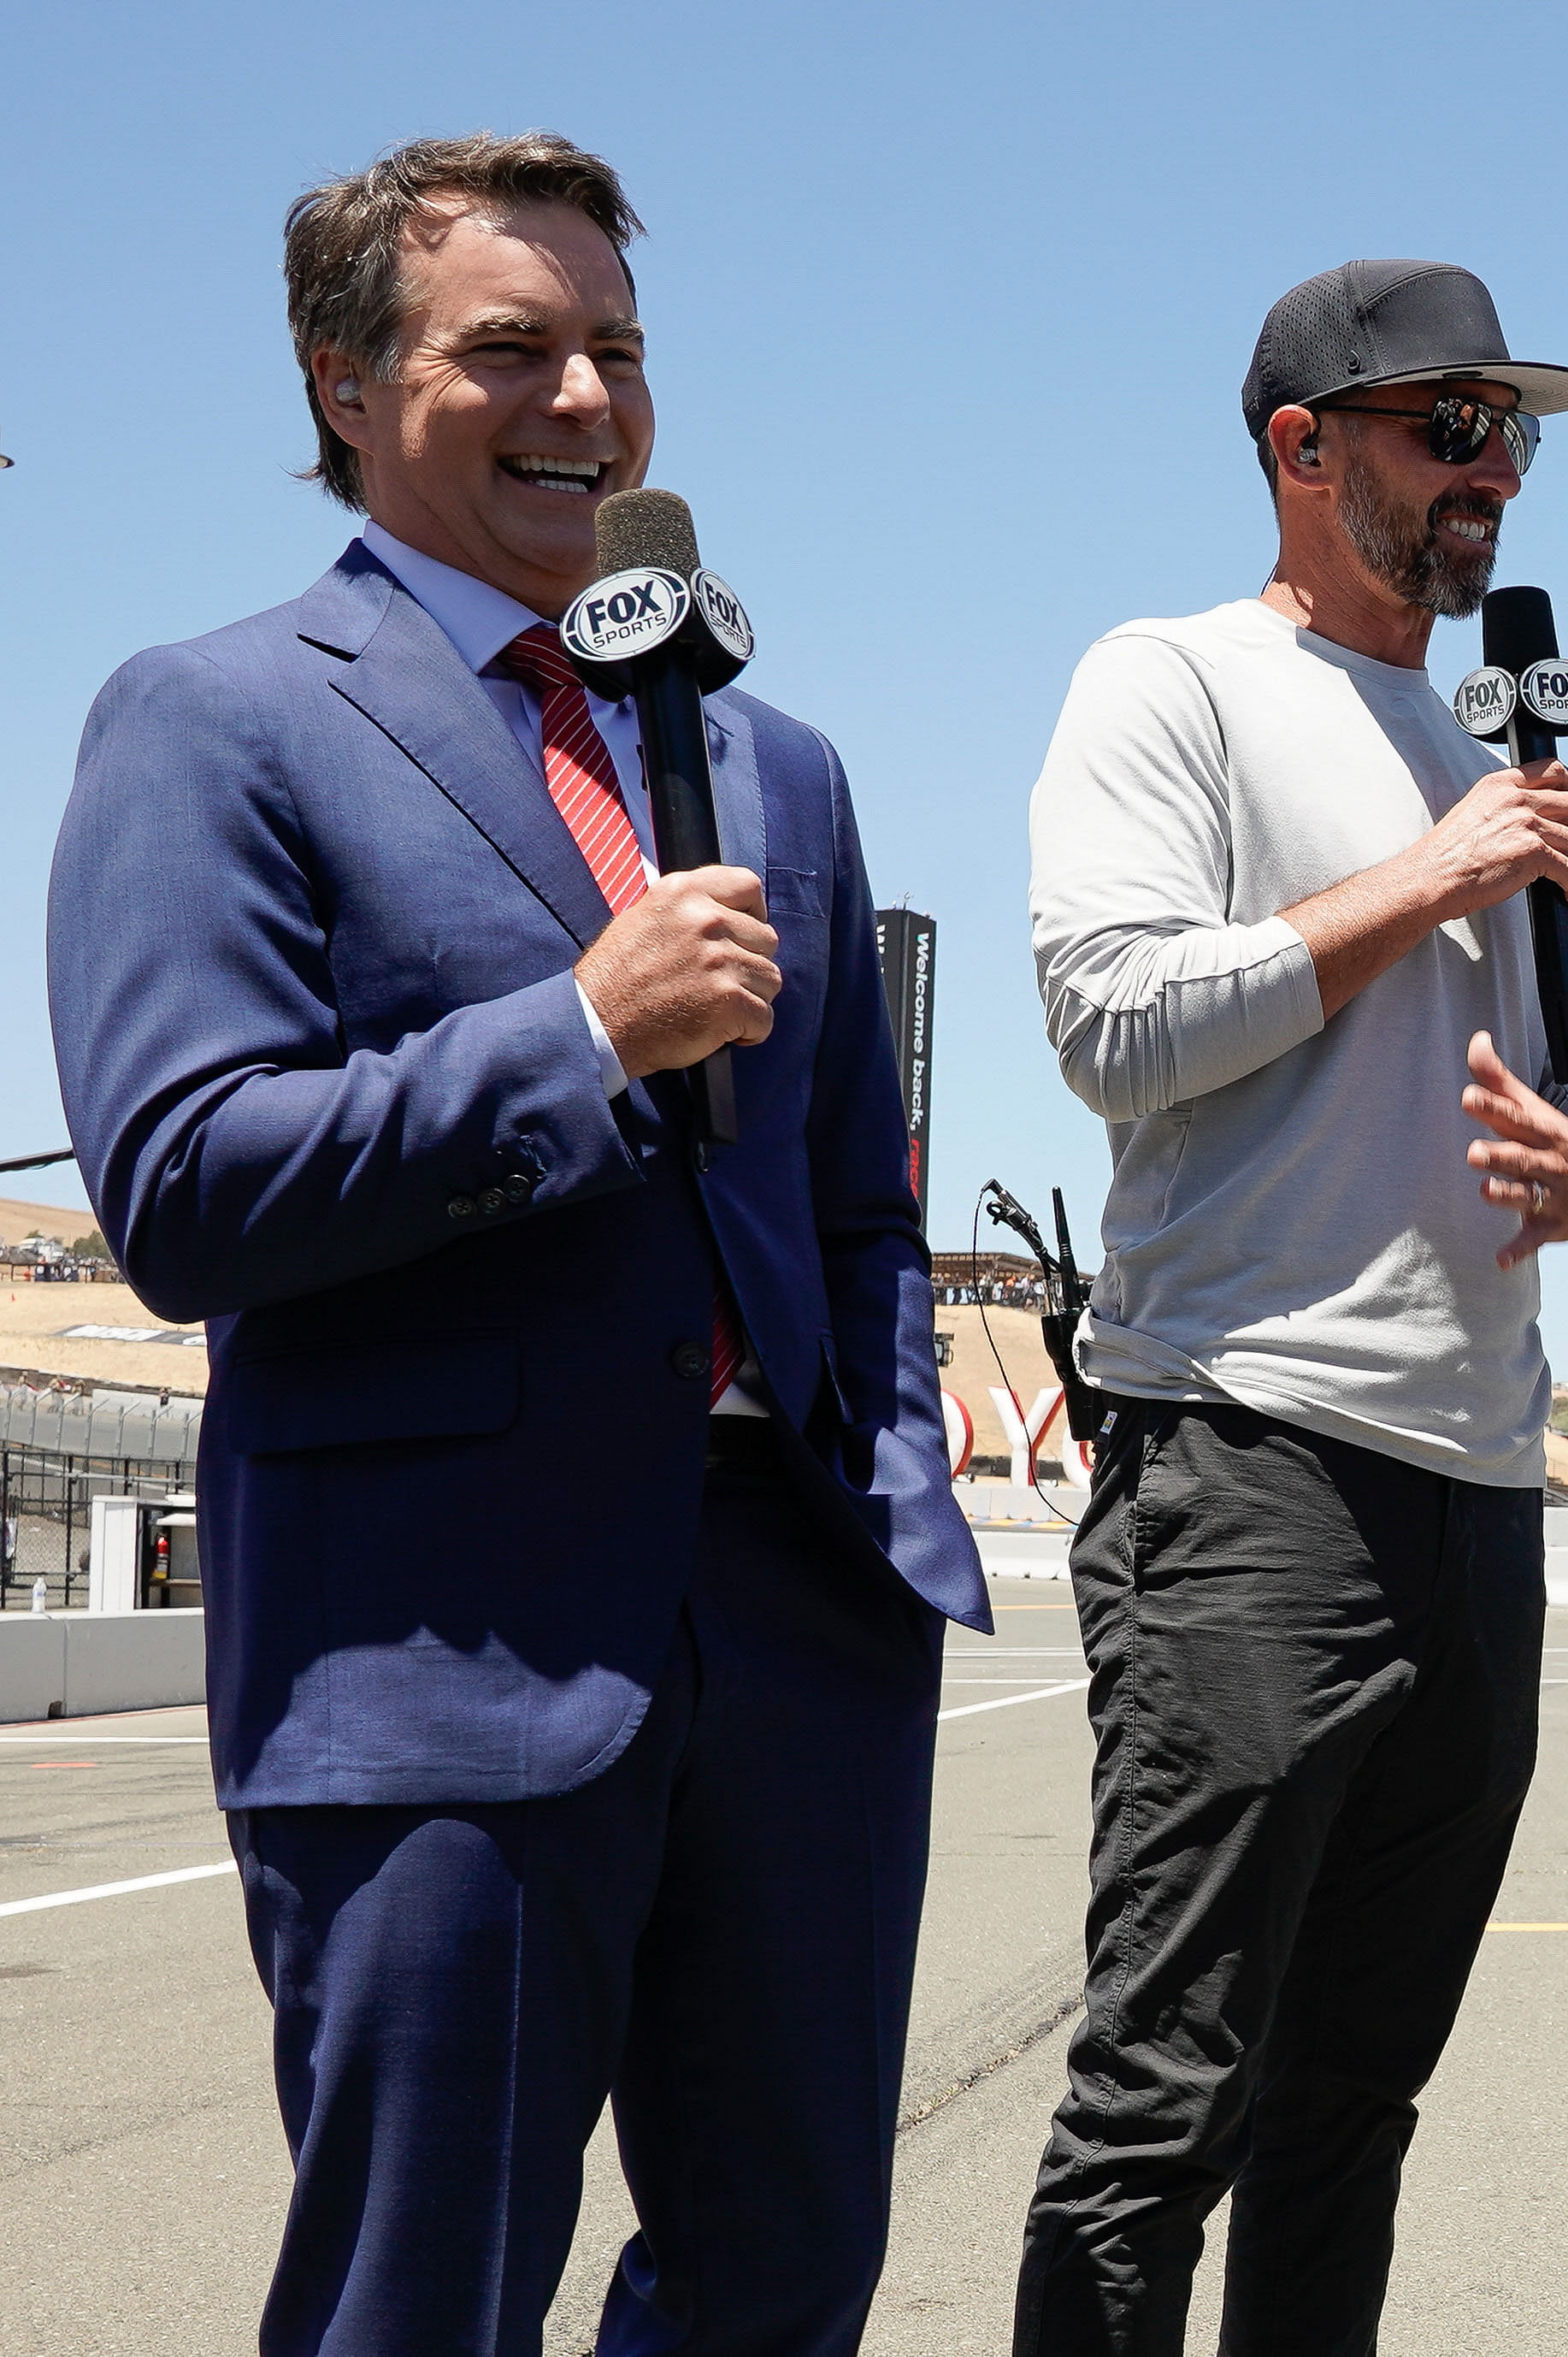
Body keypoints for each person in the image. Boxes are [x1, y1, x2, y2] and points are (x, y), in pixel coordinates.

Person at [44, 133, 985, 2354]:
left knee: (785, 2277)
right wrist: (579, 1033)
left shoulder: (779, 773)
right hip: (434, 1654)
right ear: (347, 383)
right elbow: (183, 1186)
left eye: (618, 352)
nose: (586, 398)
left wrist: (895, 1489)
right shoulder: (218, 717)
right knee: (420, 2297)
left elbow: (861, 1203)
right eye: (512, 348)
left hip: (799, 1633)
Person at [1013, 257, 1568, 2353]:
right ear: (1305, 450)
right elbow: (1110, 1020)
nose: (1495, 472)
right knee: (1164, 2104)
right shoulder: (1176, 682)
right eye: (1446, 428)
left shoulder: (1499, 756)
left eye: (1514, 434)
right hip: (1249, 1464)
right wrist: (1429, 878)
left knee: (1352, 2112)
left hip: (1477, 1507)